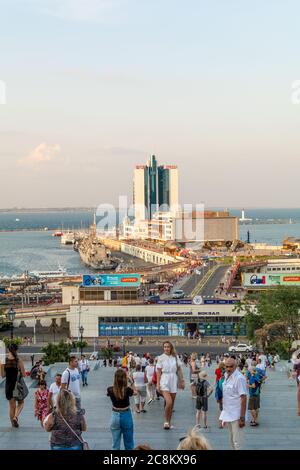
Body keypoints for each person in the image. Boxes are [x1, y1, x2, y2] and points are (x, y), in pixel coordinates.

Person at [219, 357, 247, 450]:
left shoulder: (239, 378)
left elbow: (243, 398)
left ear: (235, 366)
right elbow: (225, 395)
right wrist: (223, 413)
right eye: (226, 367)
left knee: (237, 442)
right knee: (231, 439)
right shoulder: (226, 376)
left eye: (231, 366)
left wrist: (242, 418)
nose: (228, 369)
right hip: (228, 413)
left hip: (237, 415)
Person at [156, 341, 184, 430]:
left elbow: (179, 369)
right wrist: (157, 384)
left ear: (171, 348)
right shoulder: (160, 358)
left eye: (168, 347)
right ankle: (165, 421)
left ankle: (168, 422)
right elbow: (159, 371)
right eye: (164, 347)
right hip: (164, 379)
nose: (166, 348)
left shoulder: (175, 357)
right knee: (169, 402)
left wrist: (181, 380)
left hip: (173, 379)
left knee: (172, 405)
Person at [107, 369, 136, 450]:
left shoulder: (110, 389)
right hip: (126, 414)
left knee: (115, 444)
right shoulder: (128, 390)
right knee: (129, 443)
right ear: (124, 378)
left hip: (115, 416)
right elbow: (136, 392)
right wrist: (131, 382)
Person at [0, 343, 26, 428]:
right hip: (16, 386)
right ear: (16, 350)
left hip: (8, 386)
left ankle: (13, 424)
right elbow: (24, 374)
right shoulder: (19, 360)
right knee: (21, 403)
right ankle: (15, 417)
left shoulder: (4, 361)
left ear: (8, 350)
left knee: (12, 407)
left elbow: (3, 375)